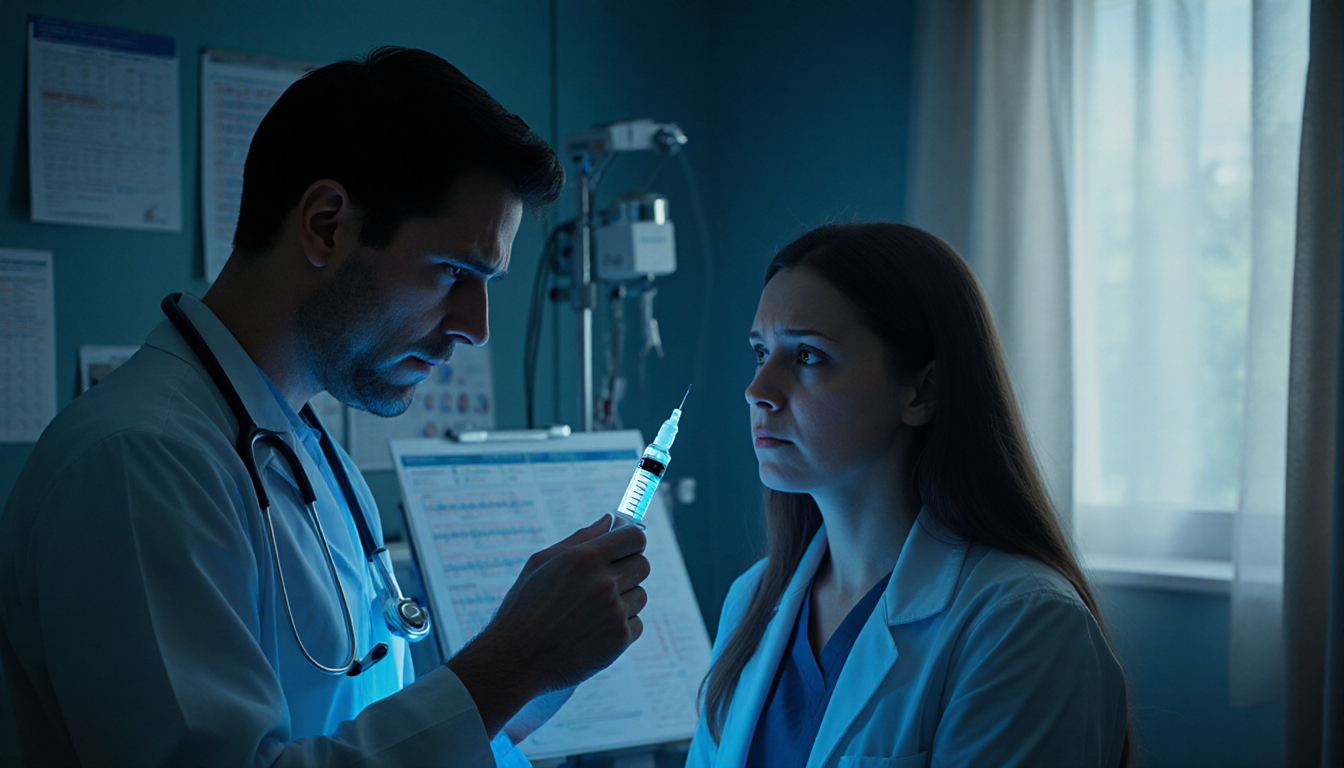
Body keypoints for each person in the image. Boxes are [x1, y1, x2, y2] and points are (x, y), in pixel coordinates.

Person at [0, 47, 650, 767]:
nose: (476, 326)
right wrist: (510, 663)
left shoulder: (312, 457)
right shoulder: (137, 462)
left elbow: (365, 731)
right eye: (453, 272)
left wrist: (536, 674)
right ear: (326, 226)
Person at [687, 223, 1130, 767]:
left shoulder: (1022, 624)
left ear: (922, 391)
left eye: (808, 357)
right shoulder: (752, 602)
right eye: (761, 352)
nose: (758, 391)